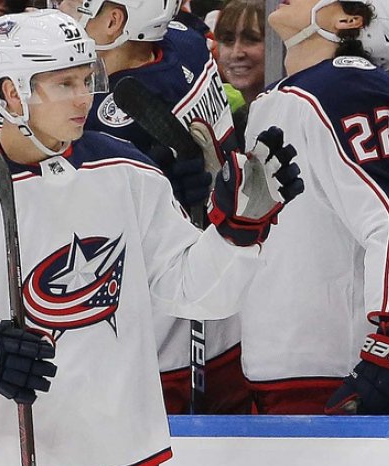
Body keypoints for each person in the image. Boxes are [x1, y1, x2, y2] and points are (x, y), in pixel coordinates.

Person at [0, 10, 301, 466]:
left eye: (86, 78)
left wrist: (238, 231)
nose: (84, 98)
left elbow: (193, 294)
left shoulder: (127, 169)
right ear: (12, 93)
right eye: (63, 84)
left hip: (131, 459)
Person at [236, 0, 389, 415]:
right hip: (282, 360)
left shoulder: (346, 87)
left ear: (349, 20)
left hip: (330, 366)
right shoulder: (288, 95)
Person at [58, 0, 252, 414]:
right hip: (225, 315)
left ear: (113, 22)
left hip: (156, 338)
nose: (62, 8)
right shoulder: (186, 43)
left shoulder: (108, 112)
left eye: (76, 3)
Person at [213, 0, 266, 129]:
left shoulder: (298, 117)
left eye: (251, 39)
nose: (236, 53)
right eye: (228, 40)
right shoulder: (235, 123)